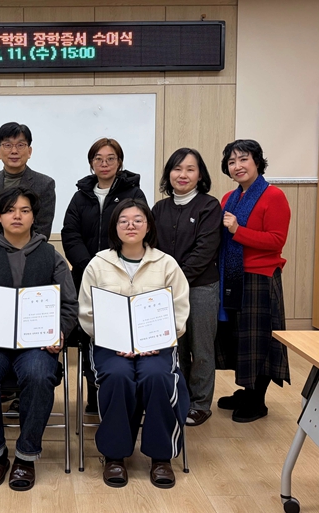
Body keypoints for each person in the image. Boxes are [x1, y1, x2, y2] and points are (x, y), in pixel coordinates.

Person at [0, 186, 78, 491]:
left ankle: (26, 456)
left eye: (24, 210)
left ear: (34, 216)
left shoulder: (52, 257)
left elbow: (69, 305)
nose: (17, 216)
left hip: (36, 345)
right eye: (10, 210)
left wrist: (59, 332)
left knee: (39, 374)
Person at [78, 198, 190, 489]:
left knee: (157, 376)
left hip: (157, 345)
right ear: (114, 227)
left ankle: (161, 457)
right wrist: (114, 340)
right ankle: (114, 456)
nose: (131, 225)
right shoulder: (98, 264)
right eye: (123, 220)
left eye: (138, 220)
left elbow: (179, 310)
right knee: (117, 376)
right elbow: (87, 312)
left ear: (148, 226)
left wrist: (160, 338)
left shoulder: (166, 264)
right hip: (110, 346)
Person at [61, 137, 147, 414]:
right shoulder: (81, 195)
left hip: (123, 276)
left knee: (123, 334)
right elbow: (70, 233)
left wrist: (111, 266)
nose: (104, 163)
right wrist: (91, 266)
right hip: (86, 276)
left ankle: (126, 395)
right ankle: (94, 393)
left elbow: (137, 230)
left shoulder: (133, 193)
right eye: (98, 158)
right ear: (91, 163)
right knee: (91, 334)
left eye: (111, 158)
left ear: (119, 162)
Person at [215, 139, 291, 423]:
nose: (237, 166)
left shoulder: (274, 196)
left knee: (259, 339)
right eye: (231, 162)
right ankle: (246, 391)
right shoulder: (228, 197)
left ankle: (258, 400)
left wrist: (238, 230)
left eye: (243, 159)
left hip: (260, 277)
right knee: (238, 338)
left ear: (257, 161)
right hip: (232, 276)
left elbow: (276, 241)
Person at [152, 148, 221, 427]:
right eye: (177, 168)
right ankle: (180, 398)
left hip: (200, 287)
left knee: (201, 347)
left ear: (200, 175)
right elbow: (152, 248)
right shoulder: (159, 208)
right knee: (174, 347)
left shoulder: (209, 206)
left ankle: (201, 404)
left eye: (190, 169)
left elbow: (204, 250)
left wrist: (176, 280)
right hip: (165, 289)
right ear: (169, 173)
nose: (183, 175)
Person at [0, 122, 56, 249]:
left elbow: (42, 229)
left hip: (28, 255)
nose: (14, 151)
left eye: (20, 145)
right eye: (7, 145)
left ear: (29, 151)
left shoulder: (45, 184)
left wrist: (19, 254)